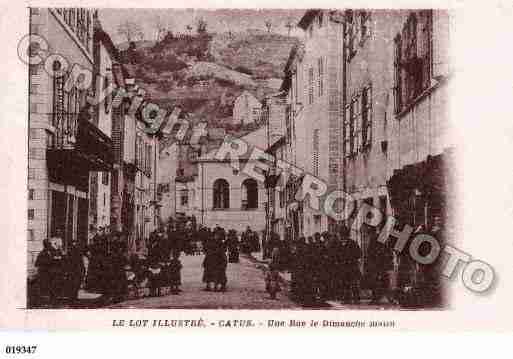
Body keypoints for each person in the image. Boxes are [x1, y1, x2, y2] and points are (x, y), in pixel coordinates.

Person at [35, 237, 65, 305]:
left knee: (54, 287)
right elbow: (37, 263)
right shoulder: (42, 253)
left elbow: (61, 259)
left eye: (49, 244)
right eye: (48, 244)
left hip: (54, 273)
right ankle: (47, 301)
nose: (50, 245)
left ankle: (53, 300)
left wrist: (58, 258)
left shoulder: (54, 251)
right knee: (47, 287)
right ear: (45, 245)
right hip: (47, 273)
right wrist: (48, 262)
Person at [66, 239, 85, 303]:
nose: (75, 245)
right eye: (74, 244)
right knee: (74, 284)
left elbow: (81, 261)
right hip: (74, 270)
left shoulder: (74, 251)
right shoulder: (73, 251)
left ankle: (73, 298)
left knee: (75, 284)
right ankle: (73, 298)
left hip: (75, 270)